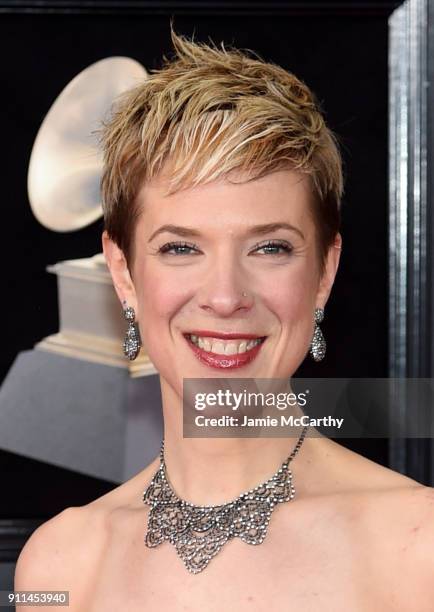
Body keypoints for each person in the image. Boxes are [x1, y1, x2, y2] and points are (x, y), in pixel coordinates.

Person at [15, 27, 434, 611]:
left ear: (326, 270)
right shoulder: (60, 563)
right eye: (181, 248)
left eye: (270, 248)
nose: (225, 296)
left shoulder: (418, 547)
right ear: (123, 272)